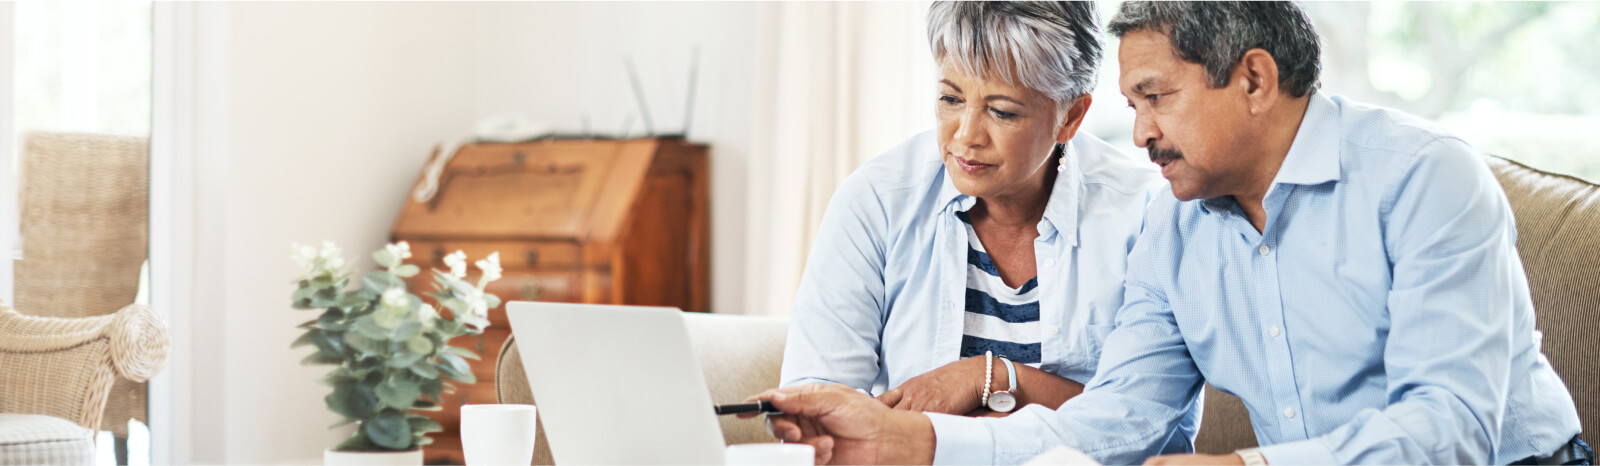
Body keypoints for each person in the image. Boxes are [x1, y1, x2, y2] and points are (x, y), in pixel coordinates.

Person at [747, 2, 1591, 465]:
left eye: (1156, 97)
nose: (1140, 131)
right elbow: (1119, 418)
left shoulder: (1423, 177)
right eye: (1133, 105)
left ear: (1253, 78)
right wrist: (921, 441)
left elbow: (1452, 428)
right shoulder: (1175, 225)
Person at [776, 0, 1196, 457]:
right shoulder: (878, 200)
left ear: (1070, 117)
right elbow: (818, 409)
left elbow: (1156, 431)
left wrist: (990, 379)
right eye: (951, 99)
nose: (966, 136)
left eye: (1002, 112)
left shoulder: (1145, 213)